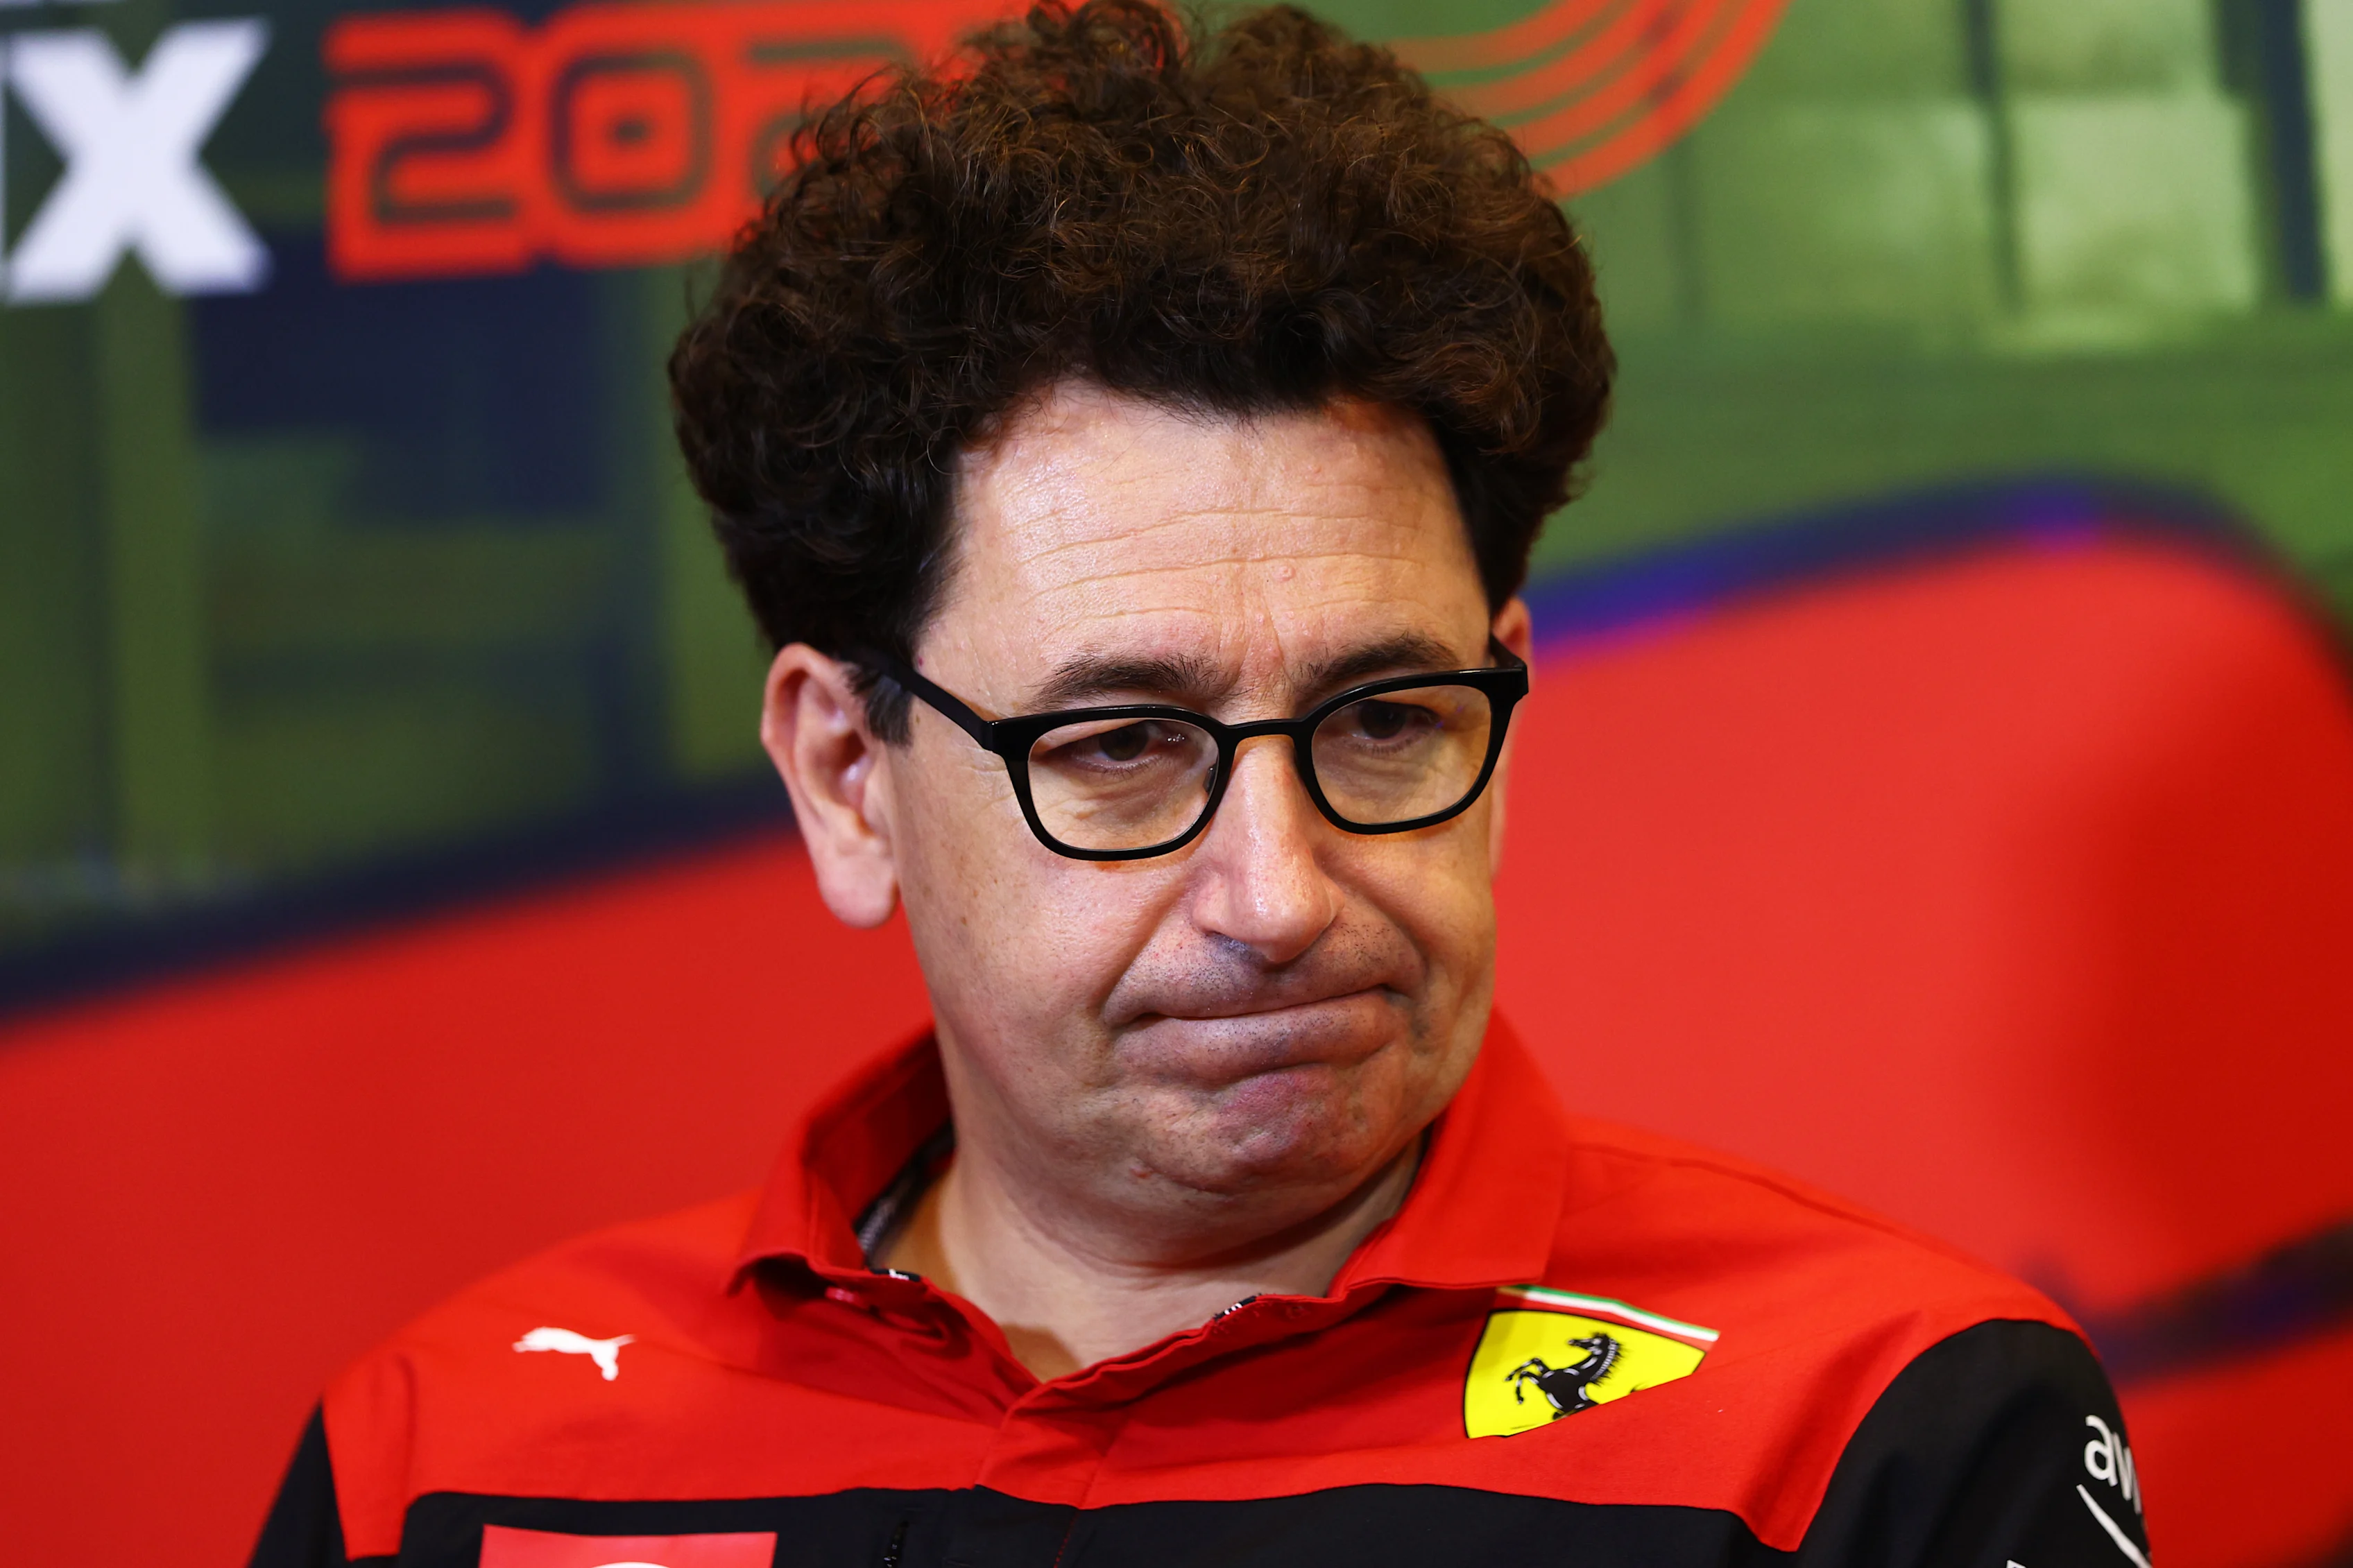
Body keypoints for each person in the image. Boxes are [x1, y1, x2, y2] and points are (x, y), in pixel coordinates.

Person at [252, 3, 2153, 1565]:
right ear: (850, 774)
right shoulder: (446, 1453)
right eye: (1121, 741)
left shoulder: (1885, 1427)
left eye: (1387, 718)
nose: (1281, 892)